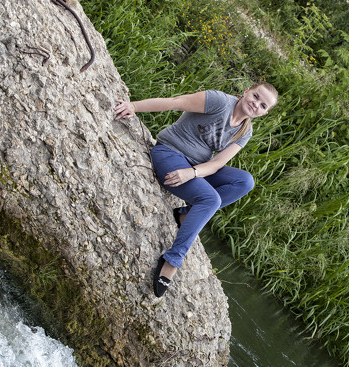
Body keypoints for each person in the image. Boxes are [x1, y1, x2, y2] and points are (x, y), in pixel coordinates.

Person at [114, 84, 278, 297]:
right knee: (211, 200)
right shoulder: (219, 101)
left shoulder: (244, 130)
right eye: (256, 96)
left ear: (264, 113)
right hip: (170, 154)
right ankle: (173, 261)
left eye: (262, 105)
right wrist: (133, 106)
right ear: (247, 91)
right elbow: (174, 103)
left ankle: (184, 215)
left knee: (245, 182)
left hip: (195, 167)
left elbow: (218, 163)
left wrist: (192, 173)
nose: (255, 104)